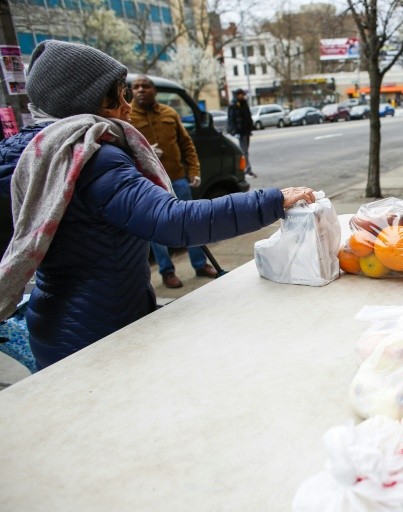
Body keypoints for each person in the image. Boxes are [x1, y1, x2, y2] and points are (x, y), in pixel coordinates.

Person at [0, 40, 316, 369]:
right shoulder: (90, 159)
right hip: (100, 337)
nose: (126, 107)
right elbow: (172, 221)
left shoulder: (29, 156)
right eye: (118, 97)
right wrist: (272, 201)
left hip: (55, 326)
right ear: (87, 100)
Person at [129, 75, 217, 288]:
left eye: (146, 86)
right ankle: (167, 271)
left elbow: (186, 144)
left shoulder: (170, 114)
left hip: (177, 179)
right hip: (148, 184)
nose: (141, 90)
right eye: (136, 87)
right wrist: (144, 154)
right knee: (156, 229)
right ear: (131, 91)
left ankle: (200, 263)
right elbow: (119, 151)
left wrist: (193, 170)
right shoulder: (127, 118)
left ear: (154, 90)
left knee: (189, 221)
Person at [227, 88, 256, 177]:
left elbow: (248, 116)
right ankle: (247, 170)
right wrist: (235, 131)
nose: (242, 96)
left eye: (243, 95)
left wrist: (250, 128)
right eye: (241, 94)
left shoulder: (244, 103)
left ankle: (245, 169)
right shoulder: (234, 104)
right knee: (244, 152)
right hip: (240, 132)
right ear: (237, 95)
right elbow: (231, 119)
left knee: (245, 151)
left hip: (246, 131)